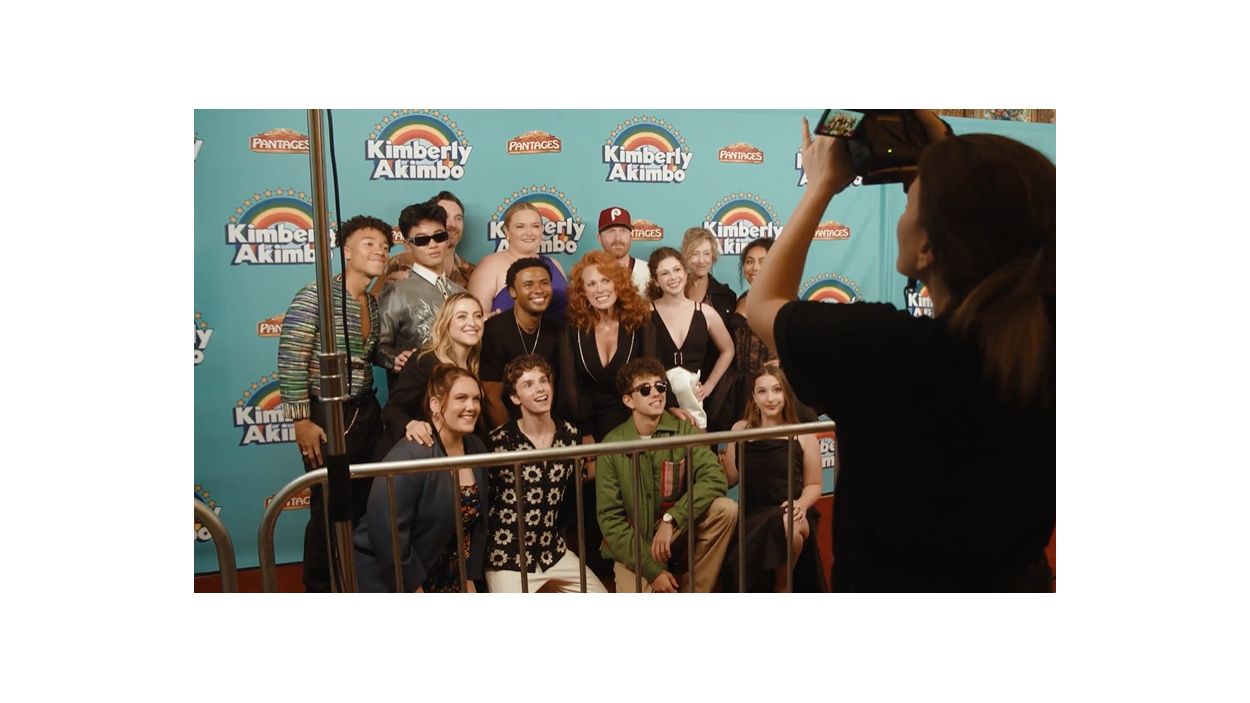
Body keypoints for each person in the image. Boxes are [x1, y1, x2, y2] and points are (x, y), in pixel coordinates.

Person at [748, 112, 1055, 592]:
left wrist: (821, 185)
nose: (903, 211)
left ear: (928, 246)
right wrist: (943, 151)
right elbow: (1007, 211)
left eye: (911, 200)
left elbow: (763, 303)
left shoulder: (888, 352)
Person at [276, 214, 390, 592]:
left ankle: (355, 581)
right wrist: (301, 420)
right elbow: (292, 357)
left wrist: (397, 359)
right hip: (328, 411)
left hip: (365, 409)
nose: (380, 250)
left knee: (363, 502)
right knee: (328, 506)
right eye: (369, 243)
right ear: (346, 251)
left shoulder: (369, 301)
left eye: (385, 246)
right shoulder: (317, 295)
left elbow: (364, 353)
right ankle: (321, 588)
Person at [596, 358, 738, 592]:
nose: (656, 393)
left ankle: (694, 591)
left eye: (660, 386)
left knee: (726, 509)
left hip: (675, 530)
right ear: (628, 400)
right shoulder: (612, 445)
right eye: (645, 389)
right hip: (636, 543)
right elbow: (611, 521)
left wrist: (672, 518)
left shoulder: (684, 430)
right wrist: (652, 571)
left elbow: (715, 477)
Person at [354, 364, 491, 592]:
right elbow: (388, 531)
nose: (471, 406)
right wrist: (413, 587)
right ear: (435, 404)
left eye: (476, 399)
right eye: (461, 398)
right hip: (392, 574)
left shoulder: (476, 447)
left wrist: (469, 577)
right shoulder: (413, 452)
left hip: (446, 570)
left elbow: (478, 526)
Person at [484, 355, 607, 592]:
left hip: (551, 551)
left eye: (543, 380)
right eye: (528, 384)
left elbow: (574, 478)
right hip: (507, 556)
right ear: (515, 397)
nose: (540, 388)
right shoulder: (499, 441)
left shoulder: (570, 434)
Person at [719, 367, 825, 592]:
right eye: (762, 391)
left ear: (786, 394)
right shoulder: (740, 429)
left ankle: (782, 587)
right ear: (754, 397)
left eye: (777, 390)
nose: (770, 398)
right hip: (753, 515)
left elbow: (814, 485)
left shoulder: (804, 434)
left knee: (789, 525)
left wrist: (801, 504)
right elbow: (731, 476)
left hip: (792, 509)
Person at [380, 292, 483, 456]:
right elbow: (392, 410)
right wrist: (411, 424)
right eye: (462, 317)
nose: (472, 323)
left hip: (454, 453)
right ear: (446, 323)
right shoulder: (424, 361)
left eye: (477, 316)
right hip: (417, 453)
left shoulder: (478, 365)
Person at [377, 202, 465, 388]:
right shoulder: (396, 292)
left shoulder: (461, 293)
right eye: (422, 240)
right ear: (408, 246)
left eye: (439, 237)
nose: (433, 245)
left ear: (447, 240)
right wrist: (394, 359)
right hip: (414, 394)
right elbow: (377, 345)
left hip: (461, 393)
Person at [646, 246, 734, 430]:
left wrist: (709, 386)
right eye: (664, 273)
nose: (673, 277)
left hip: (694, 405)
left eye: (677, 270)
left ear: (686, 274)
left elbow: (728, 350)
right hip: (656, 403)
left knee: (698, 446)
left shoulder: (706, 313)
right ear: (656, 281)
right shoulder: (645, 314)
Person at [479, 257, 563, 428]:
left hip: (544, 425)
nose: (538, 290)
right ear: (512, 292)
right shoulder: (495, 331)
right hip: (505, 428)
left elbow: (553, 390)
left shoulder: (556, 331)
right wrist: (515, 437)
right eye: (528, 285)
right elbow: (491, 399)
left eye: (544, 283)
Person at [467, 202, 569, 323]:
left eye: (535, 226)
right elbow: (473, 317)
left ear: (542, 230)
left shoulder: (554, 264)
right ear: (506, 230)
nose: (529, 233)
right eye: (520, 227)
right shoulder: (489, 266)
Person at [681, 227, 737, 322]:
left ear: (713, 257)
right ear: (686, 256)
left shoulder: (727, 296)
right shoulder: (674, 290)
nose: (701, 260)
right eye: (695, 254)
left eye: (706, 254)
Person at [596, 206, 650, 295]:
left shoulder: (648, 272)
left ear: (631, 237)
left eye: (623, 231)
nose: (618, 238)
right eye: (611, 231)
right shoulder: (589, 274)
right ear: (599, 238)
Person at [430, 191, 476, 288]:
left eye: (458, 218)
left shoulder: (474, 273)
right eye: (445, 217)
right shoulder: (406, 267)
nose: (452, 225)